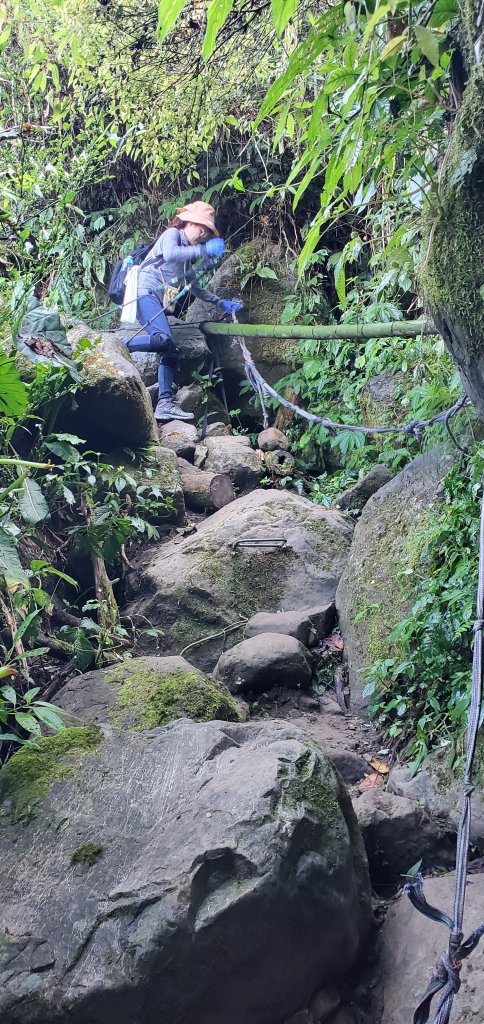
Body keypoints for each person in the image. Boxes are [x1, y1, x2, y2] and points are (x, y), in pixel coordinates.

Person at [123, 201, 242, 423]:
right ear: (189, 222)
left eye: (207, 233)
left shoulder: (186, 253)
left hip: (157, 300)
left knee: (170, 349)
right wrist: (203, 250)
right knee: (163, 341)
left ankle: (164, 403)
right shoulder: (172, 234)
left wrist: (222, 303)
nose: (203, 235)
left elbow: (193, 286)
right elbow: (169, 254)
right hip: (144, 293)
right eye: (202, 229)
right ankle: (122, 344)